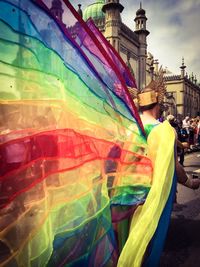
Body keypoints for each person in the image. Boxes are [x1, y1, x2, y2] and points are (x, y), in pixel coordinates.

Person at [118, 70, 200, 267]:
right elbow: (174, 165)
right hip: (149, 194)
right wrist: (190, 182)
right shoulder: (164, 130)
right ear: (158, 104)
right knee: (145, 241)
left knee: (126, 239)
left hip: (125, 192)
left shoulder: (128, 128)